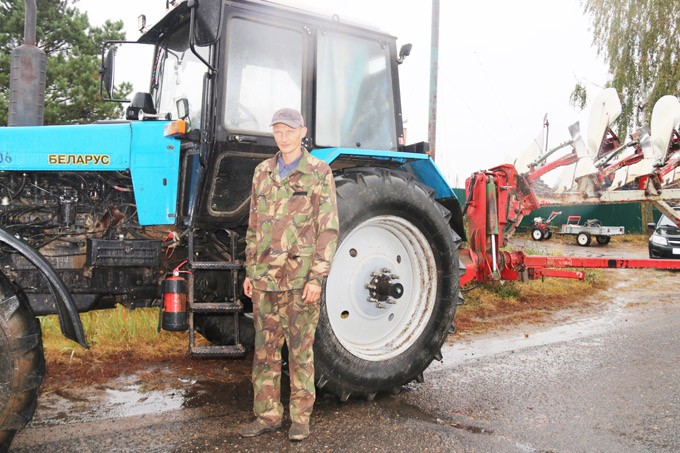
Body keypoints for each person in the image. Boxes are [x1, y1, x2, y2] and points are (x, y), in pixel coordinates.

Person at [238, 108, 339, 441]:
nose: (283, 137)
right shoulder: (262, 172)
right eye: (278, 131)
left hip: (299, 281)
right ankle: (267, 415)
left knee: (299, 352)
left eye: (289, 131)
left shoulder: (318, 172)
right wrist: (250, 271)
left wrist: (316, 279)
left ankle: (300, 418)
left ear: (302, 132)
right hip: (265, 279)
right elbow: (253, 226)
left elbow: (328, 230)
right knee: (265, 353)